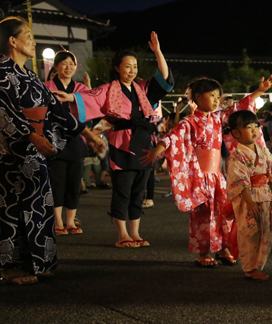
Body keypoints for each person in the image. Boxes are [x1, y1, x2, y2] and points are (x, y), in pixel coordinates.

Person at [0, 17, 103, 284]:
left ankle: (39, 261)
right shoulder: (1, 71)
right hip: (11, 151)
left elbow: (56, 109)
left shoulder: (30, 75)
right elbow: (5, 112)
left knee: (38, 205)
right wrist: (31, 135)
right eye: (29, 36)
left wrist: (88, 133)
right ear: (12, 41)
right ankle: (10, 266)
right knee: (11, 208)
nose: (33, 41)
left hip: (35, 151)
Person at [141, 76, 272, 267]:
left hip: (217, 176)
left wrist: (260, 91)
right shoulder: (189, 122)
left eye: (218, 96)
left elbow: (237, 108)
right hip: (199, 176)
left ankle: (223, 248)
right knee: (203, 214)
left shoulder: (218, 118)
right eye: (212, 95)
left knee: (224, 212)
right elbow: (173, 137)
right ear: (197, 97)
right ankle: (204, 252)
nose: (216, 100)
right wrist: (157, 150)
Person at [54, 32, 174, 248]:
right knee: (123, 190)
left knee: (138, 191)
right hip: (122, 144)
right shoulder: (109, 89)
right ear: (117, 68)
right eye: (127, 66)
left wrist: (158, 52)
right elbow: (89, 98)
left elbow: (164, 79)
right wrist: (71, 97)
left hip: (144, 142)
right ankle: (122, 234)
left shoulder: (143, 89)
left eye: (135, 67)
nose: (132, 71)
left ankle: (135, 233)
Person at [224, 111, 272, 280]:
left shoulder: (263, 150)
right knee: (250, 233)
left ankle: (258, 265)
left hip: (266, 196)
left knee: (266, 231)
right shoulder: (237, 156)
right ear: (236, 133)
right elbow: (239, 180)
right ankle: (250, 268)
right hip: (249, 200)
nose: (254, 130)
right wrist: (249, 201)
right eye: (248, 127)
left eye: (256, 126)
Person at [44, 51, 91, 236]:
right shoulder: (46, 86)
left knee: (74, 182)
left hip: (76, 141)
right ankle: (58, 222)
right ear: (55, 67)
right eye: (63, 63)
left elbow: (89, 109)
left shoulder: (81, 88)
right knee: (57, 182)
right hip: (54, 141)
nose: (68, 67)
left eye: (72, 63)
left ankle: (71, 221)